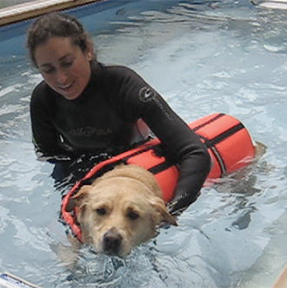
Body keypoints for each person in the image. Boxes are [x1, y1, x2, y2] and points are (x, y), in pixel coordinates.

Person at [26, 12, 211, 214]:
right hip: (85, 171)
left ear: (87, 50)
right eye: (48, 70)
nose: (61, 78)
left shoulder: (124, 86)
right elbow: (51, 155)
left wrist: (173, 211)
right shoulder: (42, 99)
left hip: (138, 164)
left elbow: (195, 153)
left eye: (67, 62)